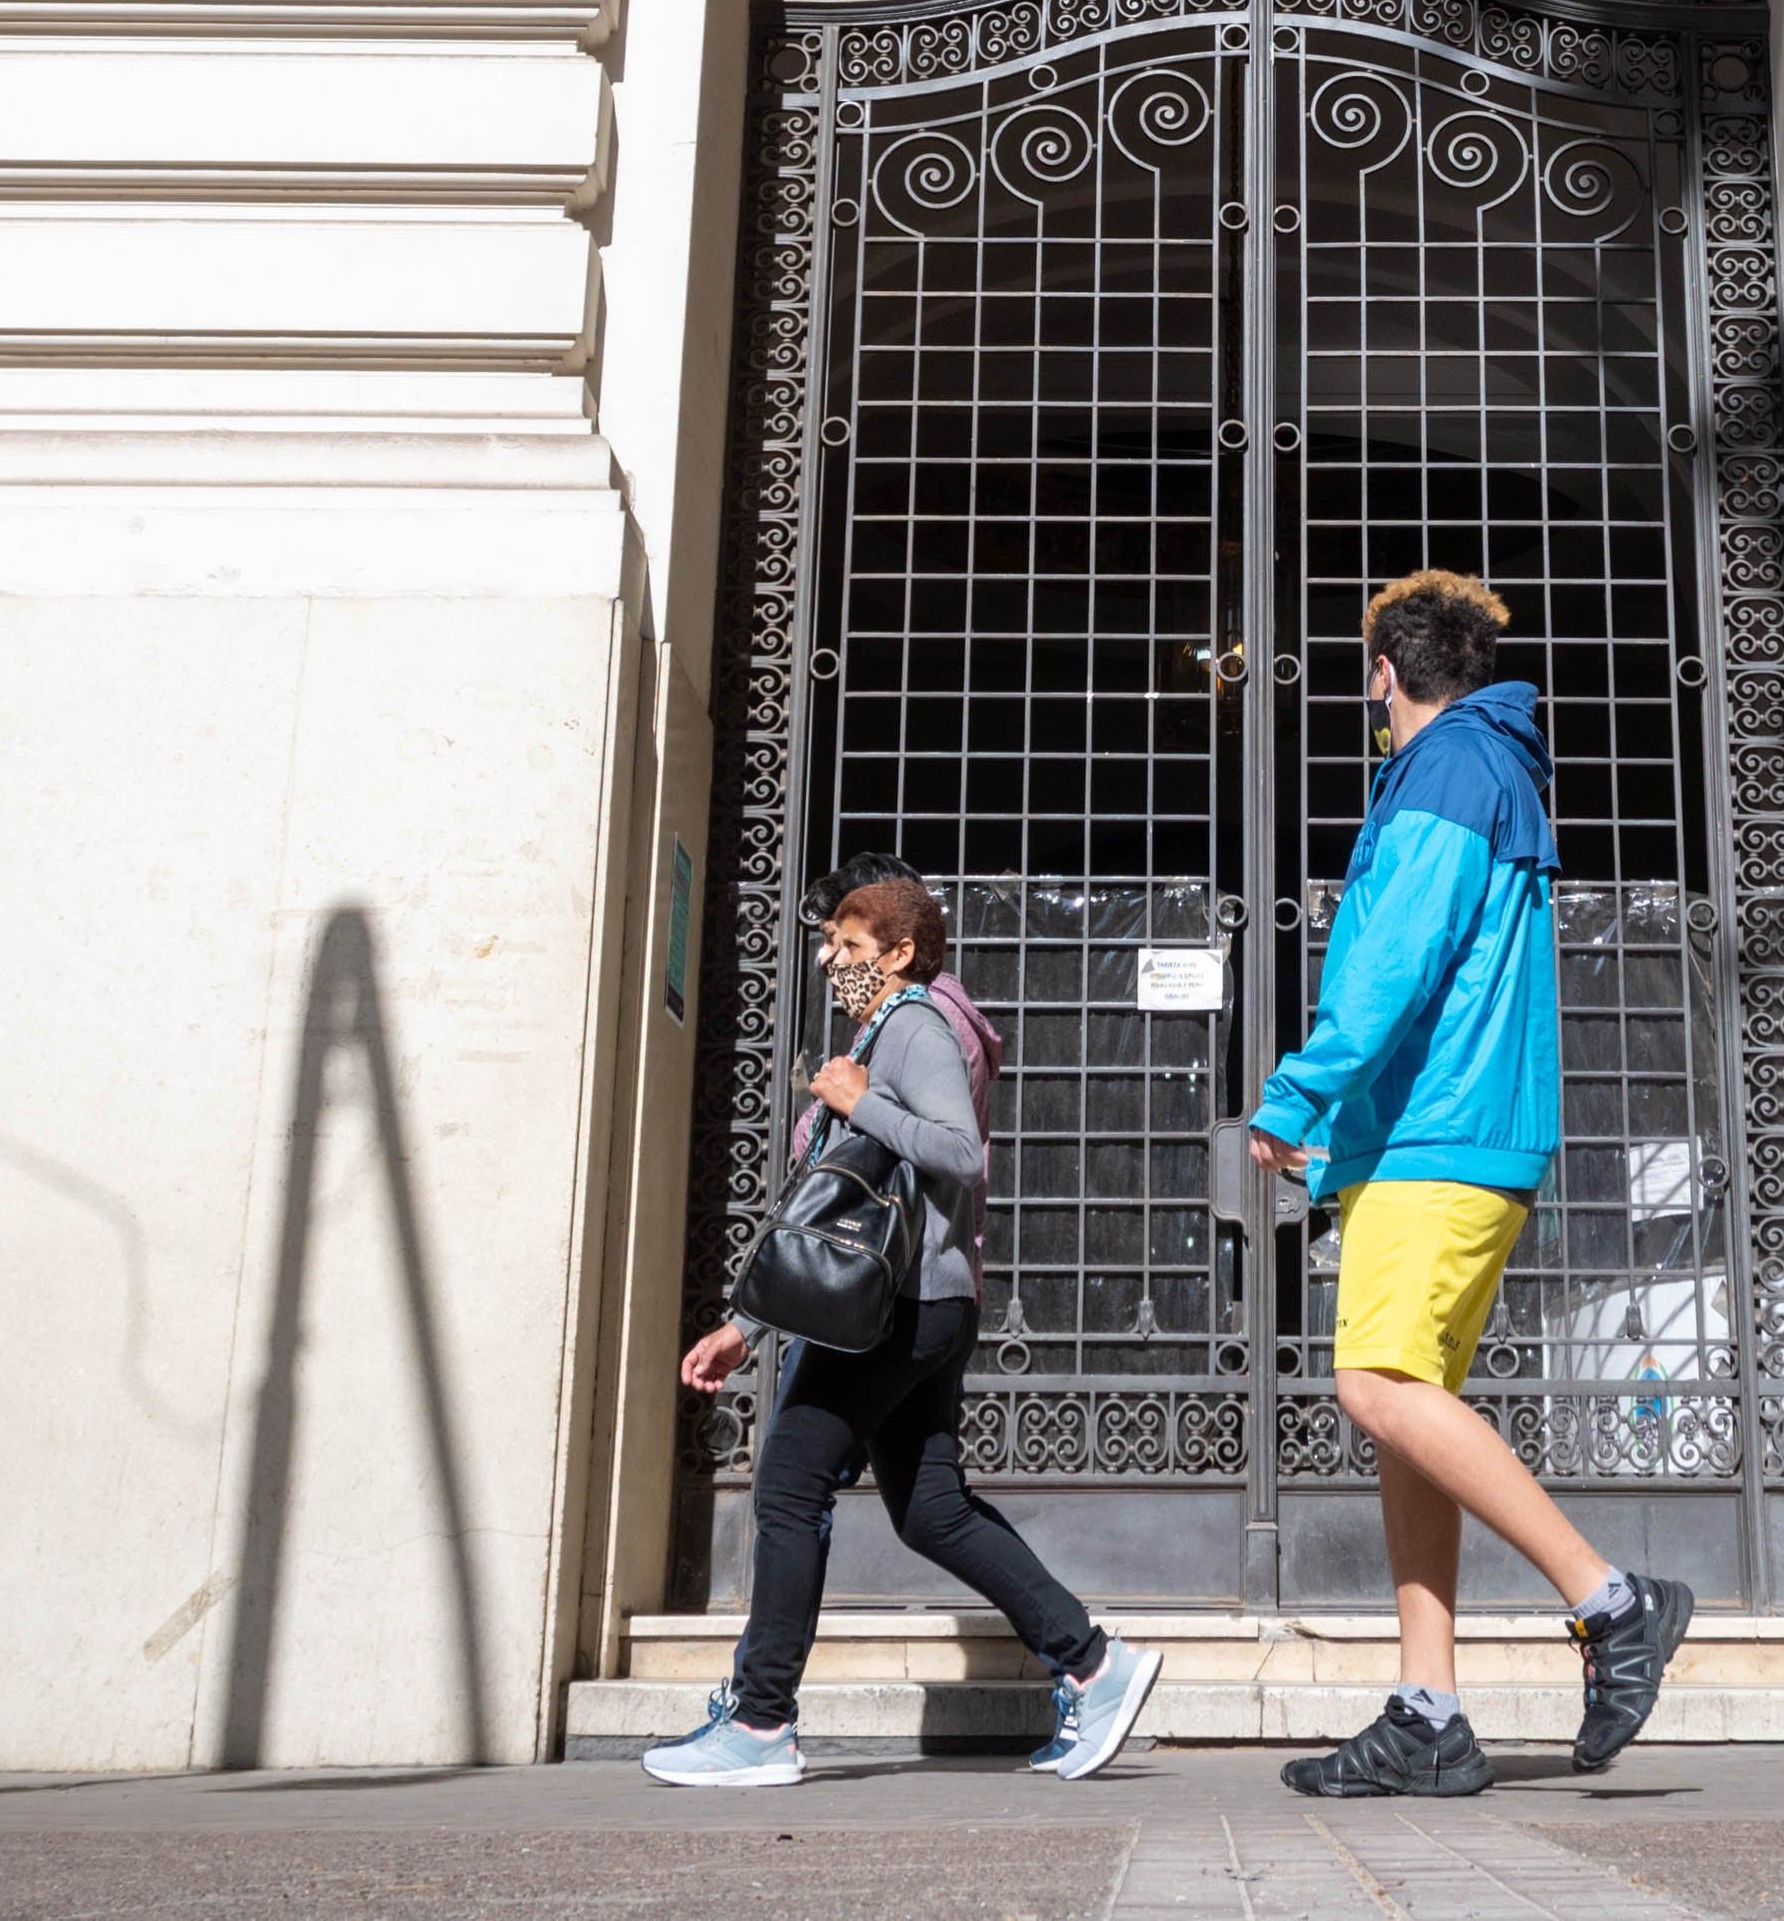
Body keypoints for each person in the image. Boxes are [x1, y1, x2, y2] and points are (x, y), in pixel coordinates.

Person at [1245, 572, 1696, 1799]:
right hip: (1443, 1139)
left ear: (1380, 675)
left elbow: (1395, 960)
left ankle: (1611, 1604)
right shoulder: (1489, 764)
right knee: (1411, 1430)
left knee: (1375, 1387)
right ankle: (1427, 1712)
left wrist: (1295, 1093)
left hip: (1432, 1139)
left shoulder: (1445, 772)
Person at [647, 870, 1163, 1787]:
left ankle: (762, 1720)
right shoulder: (880, 1033)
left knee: (789, 1485)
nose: (832, 960)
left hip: (903, 1307)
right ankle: (1091, 1661)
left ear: (899, 952)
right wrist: (747, 1325)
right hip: (917, 1303)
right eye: (832, 945)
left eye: (850, 946)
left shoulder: (918, 1025)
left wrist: (858, 1101)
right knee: (932, 1511)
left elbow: (961, 1152)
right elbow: (832, 1213)